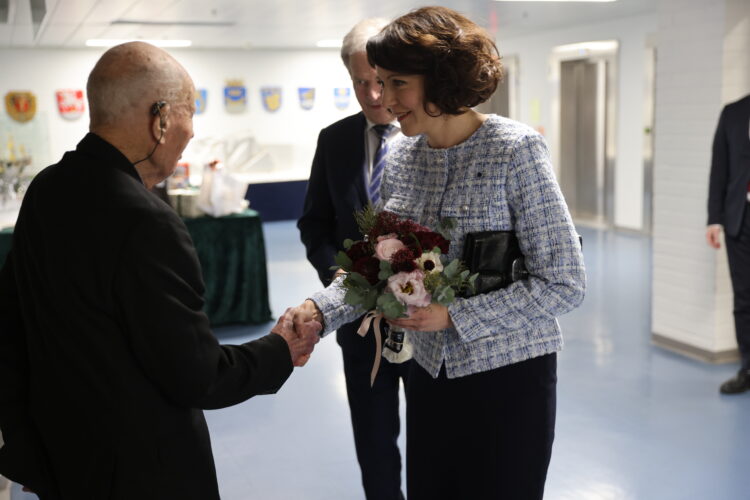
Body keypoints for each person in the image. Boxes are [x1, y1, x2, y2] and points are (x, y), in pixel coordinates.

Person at [0, 41, 320, 499]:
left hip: (61, 460)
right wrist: (279, 349)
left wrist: (25, 448)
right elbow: (197, 375)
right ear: (161, 118)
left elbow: (10, 330)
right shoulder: (145, 221)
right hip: (138, 472)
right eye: (190, 112)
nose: (191, 131)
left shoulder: (47, 188)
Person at [296, 6, 586, 500]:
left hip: (508, 379)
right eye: (379, 83)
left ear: (442, 79)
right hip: (428, 375)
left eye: (396, 83)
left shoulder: (515, 150)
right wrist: (317, 311)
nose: (383, 99)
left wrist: (455, 316)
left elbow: (564, 283)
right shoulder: (405, 156)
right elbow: (374, 267)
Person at [297, 18, 409, 500]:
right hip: (361, 323)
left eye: (380, 81)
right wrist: (336, 273)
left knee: (432, 436)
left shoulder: (430, 137)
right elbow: (314, 225)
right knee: (373, 434)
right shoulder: (335, 140)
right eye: (359, 82)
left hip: (426, 319)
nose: (372, 93)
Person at [706, 94, 750, 394]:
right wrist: (714, 219)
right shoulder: (733, 113)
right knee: (744, 299)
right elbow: (719, 169)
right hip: (740, 220)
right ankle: (747, 367)